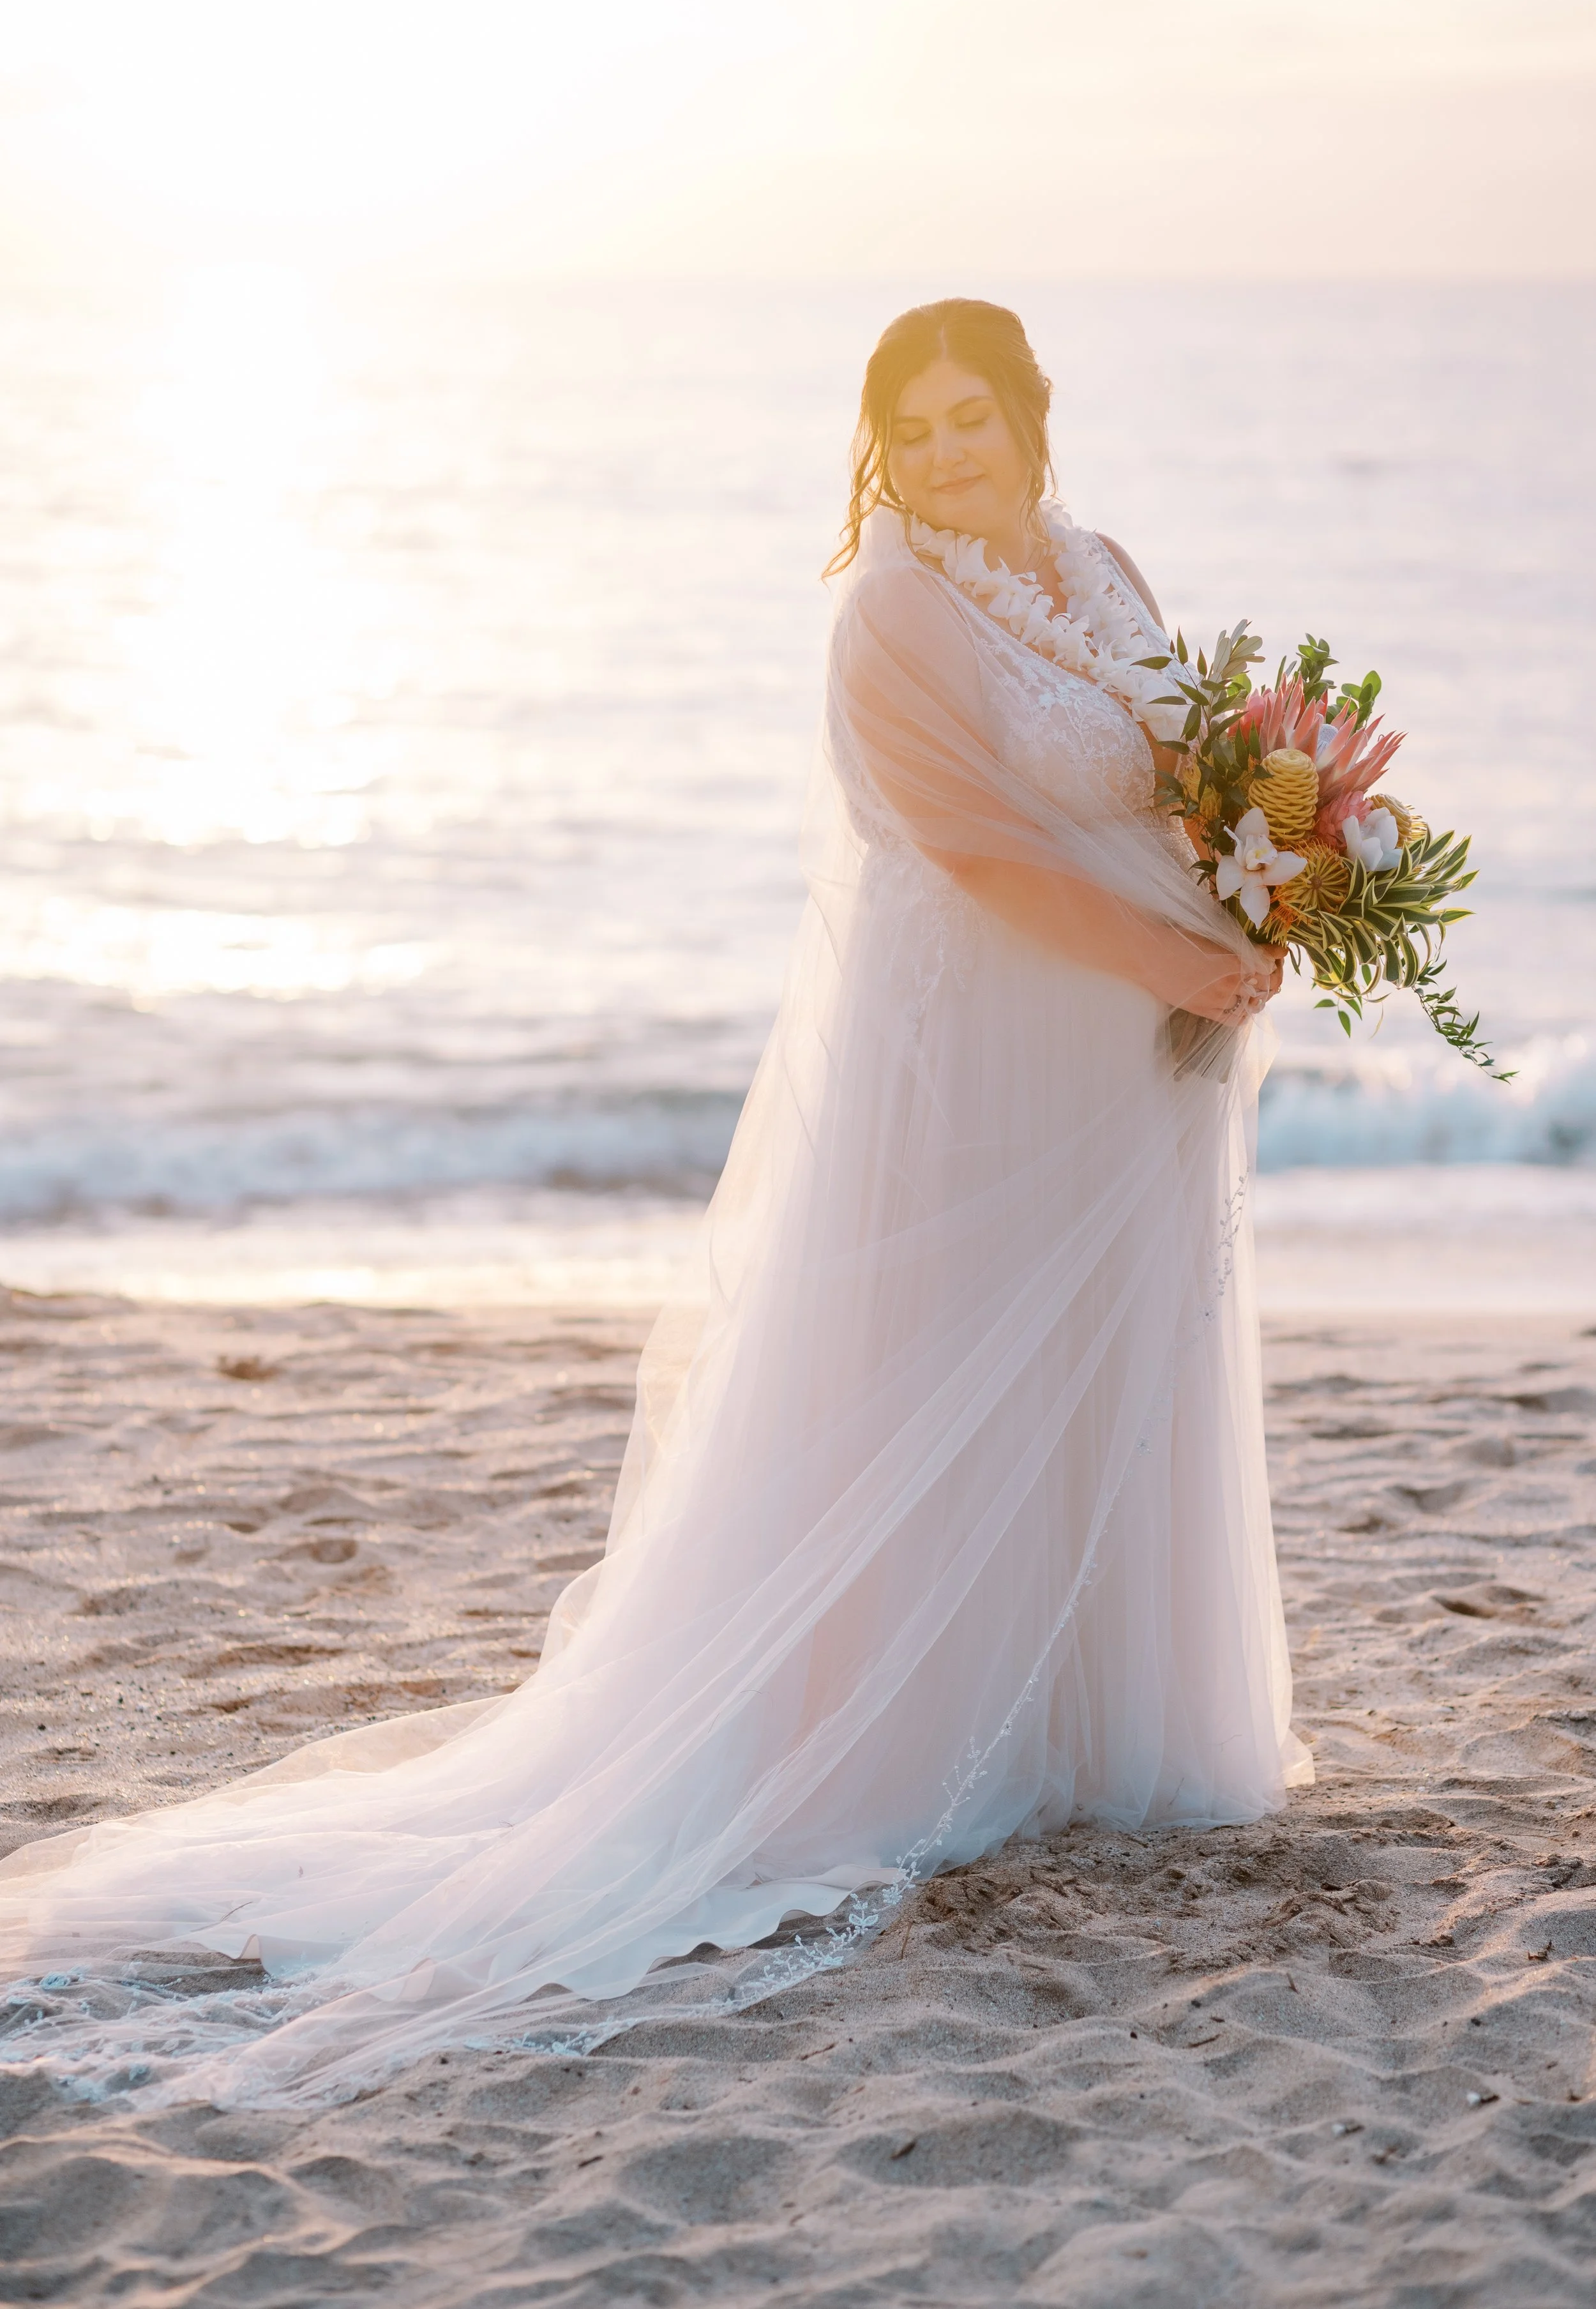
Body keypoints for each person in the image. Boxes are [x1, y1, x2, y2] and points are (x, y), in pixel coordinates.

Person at [0, 299, 1309, 2105]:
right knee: (936, 1382)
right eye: (908, 428)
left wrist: (1265, 874)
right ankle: (911, 1738)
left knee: (1102, 1373)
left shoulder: (1104, 569)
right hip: (978, 1067)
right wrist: (1183, 952)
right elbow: (978, 851)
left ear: (1028, 418)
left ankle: (1087, 1725)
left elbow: (1178, 778)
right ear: (879, 448)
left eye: (968, 418)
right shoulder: (886, 611)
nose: (942, 454)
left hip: (1125, 1055)